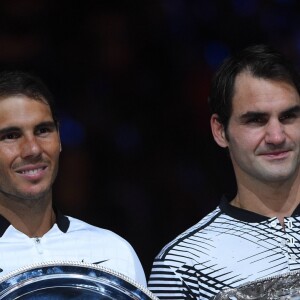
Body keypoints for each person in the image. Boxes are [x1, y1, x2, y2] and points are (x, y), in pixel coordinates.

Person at [148, 44, 300, 299]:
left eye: (288, 117)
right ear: (220, 130)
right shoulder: (183, 266)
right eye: (256, 120)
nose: (276, 136)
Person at [0, 70, 146, 286]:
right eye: (11, 136)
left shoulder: (114, 253)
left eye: (42, 130)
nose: (32, 149)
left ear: (59, 138)